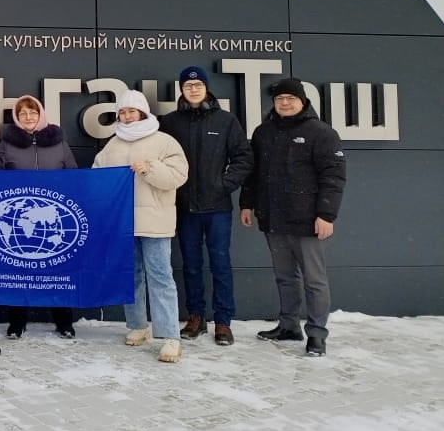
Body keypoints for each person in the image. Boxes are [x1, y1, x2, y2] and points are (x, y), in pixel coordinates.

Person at [240, 77, 346, 358]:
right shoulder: (263, 132)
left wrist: (326, 214)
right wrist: (247, 204)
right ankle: (289, 326)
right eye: (279, 99)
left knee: (314, 280)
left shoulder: (321, 133)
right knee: (285, 277)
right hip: (273, 218)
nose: (285, 103)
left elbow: (334, 177)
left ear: (303, 101)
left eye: (290, 98)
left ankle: (317, 334)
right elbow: (253, 173)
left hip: (307, 220)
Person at [159, 66, 252, 346]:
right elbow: (160, 158)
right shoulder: (171, 122)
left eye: (198, 85)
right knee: (191, 265)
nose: (193, 89)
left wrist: (223, 184)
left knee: (220, 264)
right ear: (181, 90)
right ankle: (196, 317)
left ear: (206, 88)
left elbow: (243, 158)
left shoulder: (226, 121)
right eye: (188, 86)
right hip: (184, 206)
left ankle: (223, 321)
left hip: (217, 208)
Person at [93, 90, 188, 363]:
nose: (126, 116)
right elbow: (98, 178)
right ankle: (138, 325)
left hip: (155, 223)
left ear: (143, 112)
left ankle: (170, 336)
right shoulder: (112, 145)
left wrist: (149, 169)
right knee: (130, 276)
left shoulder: (164, 142)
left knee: (160, 277)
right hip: (123, 224)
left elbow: (178, 176)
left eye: (131, 111)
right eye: (122, 112)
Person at [0, 94, 79, 339]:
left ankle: (64, 322)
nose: (28, 117)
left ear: (41, 115)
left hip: (53, 216)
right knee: (18, 269)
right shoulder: (6, 145)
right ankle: (17, 323)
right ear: (16, 118)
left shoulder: (59, 143)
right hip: (21, 218)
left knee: (57, 269)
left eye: (32, 112)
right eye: (23, 114)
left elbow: (73, 175)